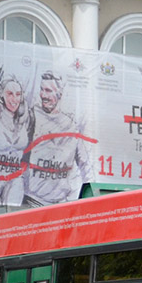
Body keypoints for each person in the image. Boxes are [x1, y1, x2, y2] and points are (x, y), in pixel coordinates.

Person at [23, 70, 92, 205]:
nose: (43, 95)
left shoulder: (71, 126)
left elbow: (85, 164)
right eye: (42, 90)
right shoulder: (31, 117)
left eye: (48, 91)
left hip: (61, 205)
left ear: (59, 93)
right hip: (32, 201)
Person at [0, 68, 33, 206]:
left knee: (13, 219)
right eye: (10, 94)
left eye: (18, 94)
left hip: (15, 178)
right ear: (2, 95)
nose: (14, 99)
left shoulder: (26, 119)